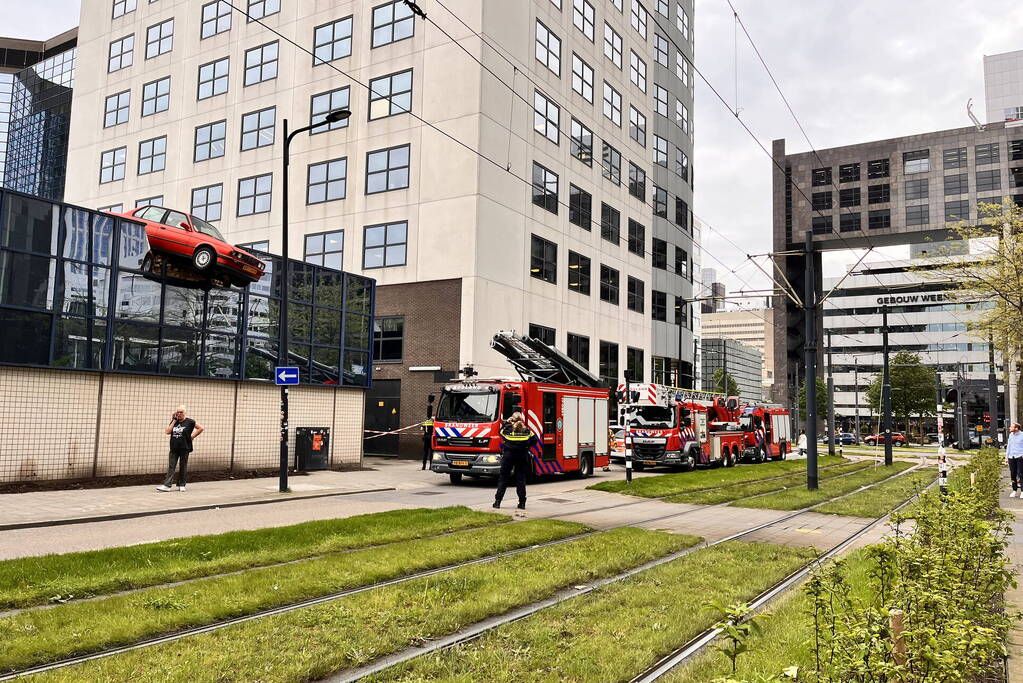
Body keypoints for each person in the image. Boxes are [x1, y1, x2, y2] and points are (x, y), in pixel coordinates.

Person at [494, 412, 536, 510]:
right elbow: (534, 441)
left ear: (512, 419)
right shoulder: (526, 431)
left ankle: (497, 502)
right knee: (520, 480)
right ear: (521, 420)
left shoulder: (508, 430)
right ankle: (522, 503)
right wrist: (526, 446)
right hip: (521, 457)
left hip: (508, 457)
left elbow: (500, 432)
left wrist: (507, 423)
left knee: (503, 479)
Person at [157, 405, 204, 492]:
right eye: (177, 412)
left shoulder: (190, 421)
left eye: (181, 412)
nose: (179, 414)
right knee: (171, 466)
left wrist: (192, 436)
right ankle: (167, 486)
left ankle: (181, 485)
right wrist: (174, 420)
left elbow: (201, 428)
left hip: (184, 448)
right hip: (174, 448)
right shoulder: (175, 421)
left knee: (183, 466)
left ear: (185, 413)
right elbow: (167, 431)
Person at [1007, 422, 1023, 497]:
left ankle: (1022, 491)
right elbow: (1009, 446)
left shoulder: (1022, 435)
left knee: (1021, 474)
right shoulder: (1011, 435)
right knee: (1013, 474)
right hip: (1011, 457)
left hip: (1020, 457)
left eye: (1011, 427)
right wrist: (1007, 457)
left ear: (1016, 428)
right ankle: (1014, 490)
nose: (1010, 428)